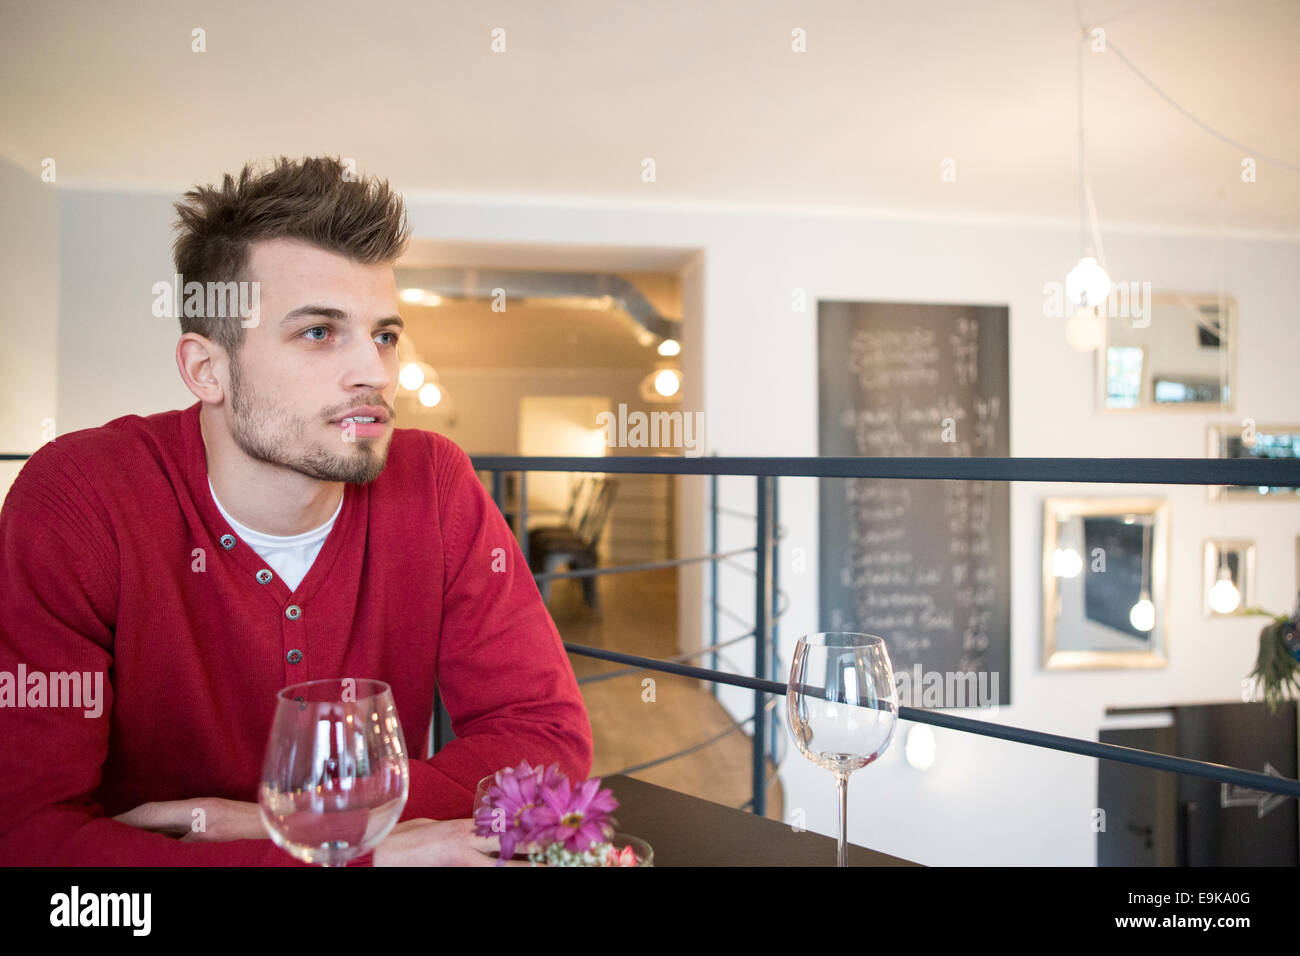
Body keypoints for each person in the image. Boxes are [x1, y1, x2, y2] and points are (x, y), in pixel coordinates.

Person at [0, 156, 593, 865]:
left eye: (385, 335)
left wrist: (285, 827)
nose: (375, 372)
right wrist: (366, 854)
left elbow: (546, 745)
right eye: (318, 332)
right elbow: (28, 836)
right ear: (206, 369)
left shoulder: (434, 483)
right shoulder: (80, 498)